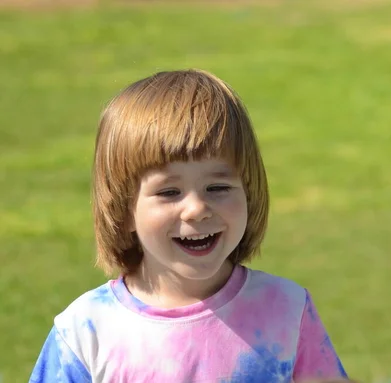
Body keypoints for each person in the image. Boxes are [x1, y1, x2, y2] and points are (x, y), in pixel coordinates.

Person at [30, 69, 350, 382]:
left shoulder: (287, 311)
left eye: (218, 188)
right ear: (124, 210)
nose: (197, 209)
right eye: (169, 192)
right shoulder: (87, 331)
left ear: (248, 193)